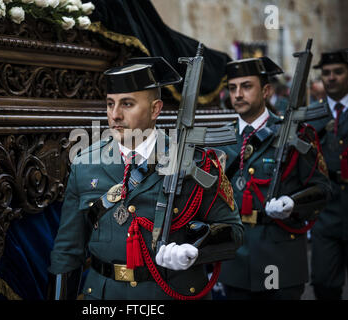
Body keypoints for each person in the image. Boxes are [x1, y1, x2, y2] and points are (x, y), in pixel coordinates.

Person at [49, 56, 244, 300]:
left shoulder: (196, 162)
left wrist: (195, 248)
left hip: (172, 292)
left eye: (127, 104)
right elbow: (67, 251)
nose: (115, 115)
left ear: (155, 109)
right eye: (110, 104)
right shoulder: (85, 164)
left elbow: (234, 231)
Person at [217, 56, 331, 300]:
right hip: (235, 260)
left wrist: (294, 203)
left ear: (266, 90)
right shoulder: (220, 139)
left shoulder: (295, 134)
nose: (238, 94)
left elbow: (321, 188)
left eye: (246, 86)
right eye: (232, 87)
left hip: (280, 257)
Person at [308, 49, 348, 300]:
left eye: (338, 72)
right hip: (327, 209)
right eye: (326, 74)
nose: (331, 78)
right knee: (323, 282)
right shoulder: (314, 114)